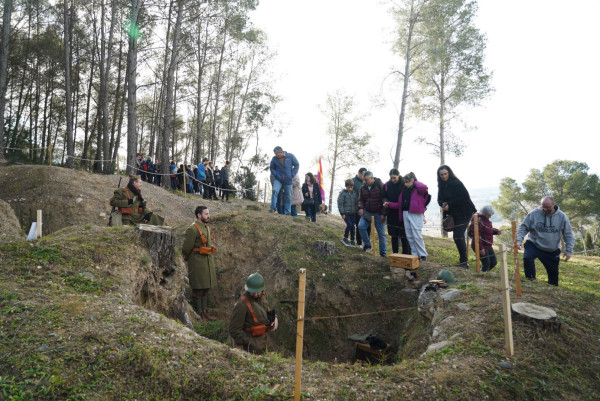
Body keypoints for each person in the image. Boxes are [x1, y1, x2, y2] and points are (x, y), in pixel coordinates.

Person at [517, 196, 575, 286]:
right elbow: (523, 227)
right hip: (534, 244)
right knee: (527, 257)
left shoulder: (562, 217)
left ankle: (552, 287)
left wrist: (569, 251)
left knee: (553, 277)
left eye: (547, 207)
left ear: (553, 205)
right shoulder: (534, 214)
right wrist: (519, 240)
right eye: (543, 206)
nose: (544, 209)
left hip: (551, 249)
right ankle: (531, 279)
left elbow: (568, 234)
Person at [181, 206, 218, 321]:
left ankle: (204, 312)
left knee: (205, 288)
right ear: (199, 215)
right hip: (197, 263)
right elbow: (186, 248)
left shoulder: (206, 227)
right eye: (206, 214)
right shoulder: (193, 229)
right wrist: (189, 259)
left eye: (208, 213)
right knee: (198, 290)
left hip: (207, 263)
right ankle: (198, 315)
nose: (208, 216)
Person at [437, 165, 477, 268]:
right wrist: (443, 205)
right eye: (441, 175)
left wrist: (450, 204)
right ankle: (463, 261)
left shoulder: (456, 183)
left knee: (458, 236)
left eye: (445, 174)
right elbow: (439, 199)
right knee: (457, 237)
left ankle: (464, 262)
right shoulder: (441, 185)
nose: (444, 176)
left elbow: (465, 198)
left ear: (449, 173)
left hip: (464, 212)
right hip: (453, 213)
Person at [229, 273, 278, 355]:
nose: (255, 294)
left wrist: (274, 318)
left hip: (267, 341)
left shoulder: (263, 295)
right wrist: (250, 342)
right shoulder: (241, 304)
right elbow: (234, 330)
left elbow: (265, 309)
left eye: (257, 292)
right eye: (252, 292)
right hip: (252, 346)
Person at [384, 172, 429, 261]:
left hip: (415, 213)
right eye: (405, 182)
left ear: (412, 180)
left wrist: (414, 182)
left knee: (417, 234)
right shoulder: (404, 189)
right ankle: (415, 254)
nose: (405, 184)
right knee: (409, 235)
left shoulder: (418, 189)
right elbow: (399, 204)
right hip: (405, 213)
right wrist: (389, 204)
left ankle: (423, 255)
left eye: (407, 182)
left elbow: (424, 188)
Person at [357, 171, 387, 256]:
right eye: (363, 180)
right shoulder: (363, 187)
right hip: (367, 212)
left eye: (366, 180)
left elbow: (385, 200)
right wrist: (361, 208)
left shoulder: (380, 185)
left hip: (379, 213)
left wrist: (383, 214)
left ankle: (383, 253)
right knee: (361, 226)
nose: (364, 182)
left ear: (371, 178)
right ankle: (368, 245)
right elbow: (361, 200)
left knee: (381, 234)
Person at [383, 169, 411, 255]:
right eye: (391, 178)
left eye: (394, 178)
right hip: (391, 213)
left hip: (402, 213)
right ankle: (395, 254)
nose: (393, 180)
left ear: (398, 175)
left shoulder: (404, 184)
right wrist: (385, 202)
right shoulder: (387, 185)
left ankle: (406, 254)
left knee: (403, 236)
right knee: (393, 235)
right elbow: (384, 196)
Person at [468, 205, 502, 272]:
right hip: (480, 245)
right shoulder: (478, 221)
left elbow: (489, 230)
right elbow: (476, 236)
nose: (490, 216)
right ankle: (482, 274)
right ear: (484, 214)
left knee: (493, 262)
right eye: (489, 215)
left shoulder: (487, 221)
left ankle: (485, 273)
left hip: (488, 245)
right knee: (486, 264)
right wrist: (481, 248)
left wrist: (496, 231)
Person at [269, 146, 299, 215]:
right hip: (278, 179)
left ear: (281, 152)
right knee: (275, 191)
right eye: (275, 154)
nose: (277, 155)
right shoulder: (274, 159)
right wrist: (276, 174)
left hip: (288, 180)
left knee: (288, 195)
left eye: (277, 154)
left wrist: (292, 174)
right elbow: (271, 168)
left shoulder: (290, 156)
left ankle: (287, 212)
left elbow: (297, 165)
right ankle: (272, 208)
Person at [337, 179, 358, 246]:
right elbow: (340, 203)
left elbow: (356, 203)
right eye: (348, 187)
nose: (349, 189)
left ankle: (352, 240)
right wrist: (342, 213)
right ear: (346, 186)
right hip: (346, 213)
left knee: (353, 227)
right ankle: (345, 238)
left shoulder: (354, 193)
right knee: (349, 225)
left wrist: (356, 210)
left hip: (353, 213)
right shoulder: (343, 193)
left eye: (351, 187)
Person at [352, 167, 368, 248]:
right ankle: (358, 242)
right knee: (356, 225)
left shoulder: (365, 183)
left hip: (364, 208)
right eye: (363, 174)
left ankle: (363, 242)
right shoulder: (353, 181)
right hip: (354, 207)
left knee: (362, 225)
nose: (364, 176)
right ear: (359, 173)